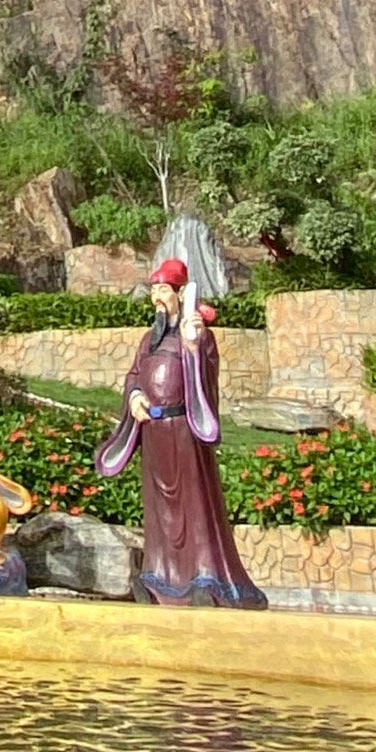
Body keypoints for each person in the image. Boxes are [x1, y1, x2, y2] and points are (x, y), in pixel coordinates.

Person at [95, 255, 265, 609]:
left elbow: (206, 373)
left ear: (181, 293)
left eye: (164, 290)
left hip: (184, 429)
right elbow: (133, 375)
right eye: (154, 290)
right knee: (159, 509)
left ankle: (206, 575)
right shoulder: (149, 340)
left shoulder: (197, 334)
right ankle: (159, 578)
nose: (158, 297)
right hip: (154, 431)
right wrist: (137, 395)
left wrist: (191, 346)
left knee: (194, 502)